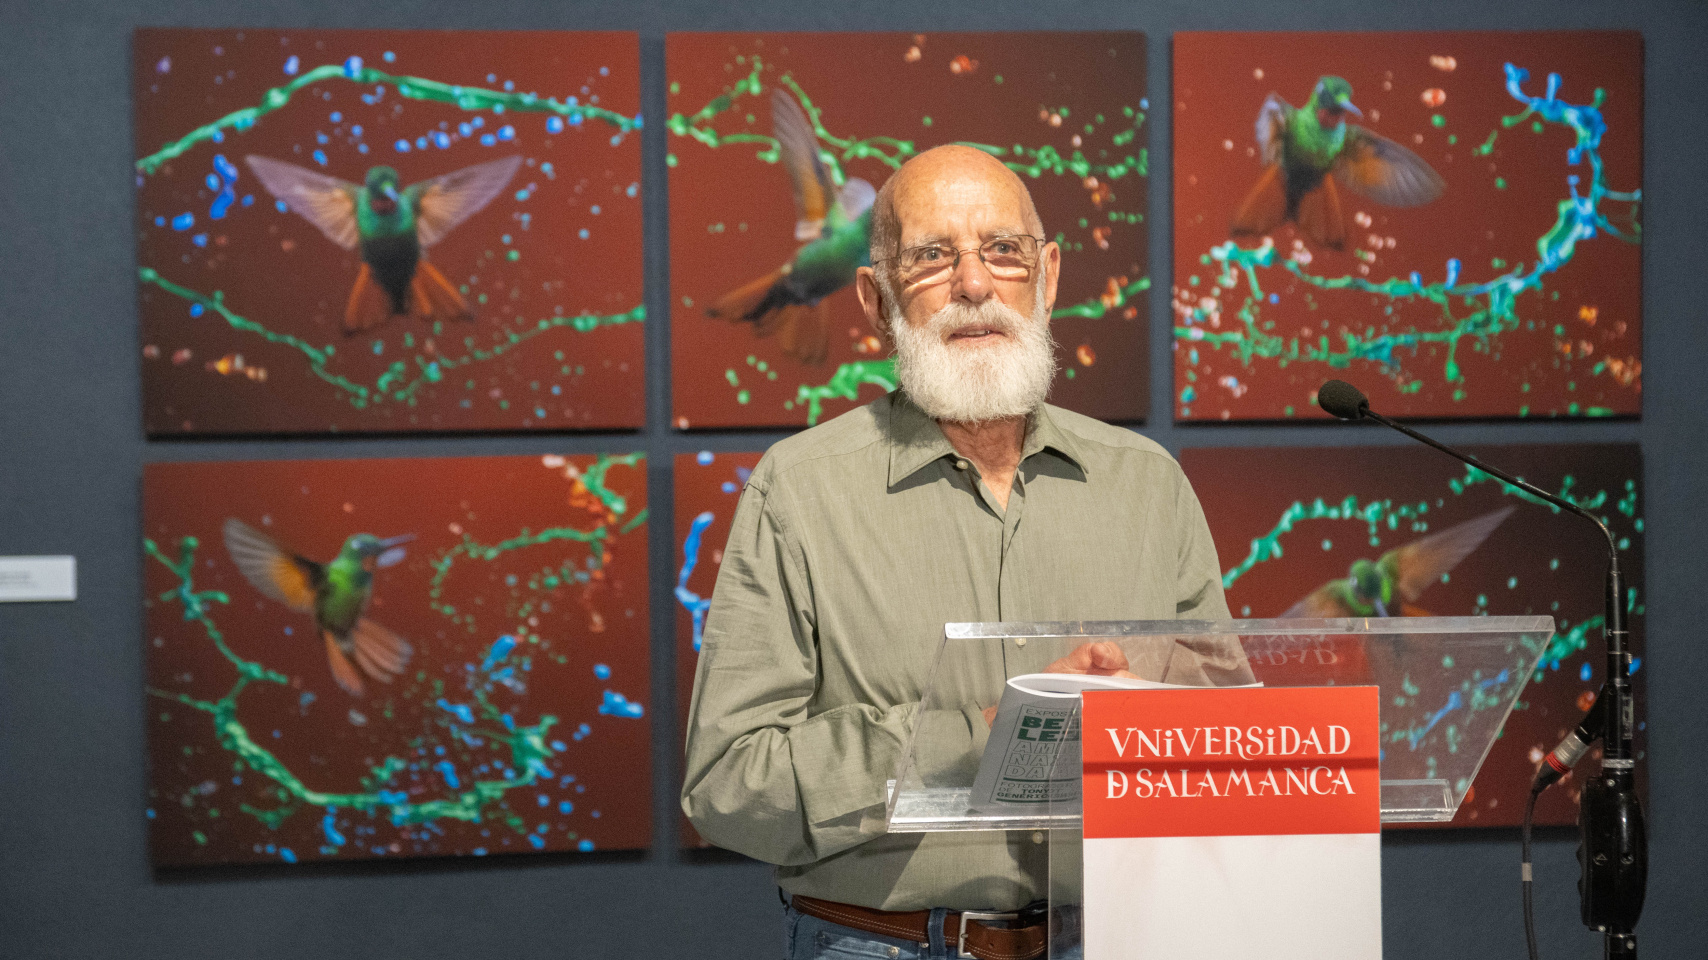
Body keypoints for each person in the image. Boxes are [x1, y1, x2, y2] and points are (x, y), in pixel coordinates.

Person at [682, 145, 1231, 960]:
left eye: (1001, 251)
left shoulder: (1147, 483)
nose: (974, 286)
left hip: (1131, 938)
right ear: (874, 300)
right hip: (888, 945)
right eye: (932, 256)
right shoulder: (798, 491)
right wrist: (990, 733)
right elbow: (731, 784)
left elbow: (1225, 737)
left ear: (1047, 278)